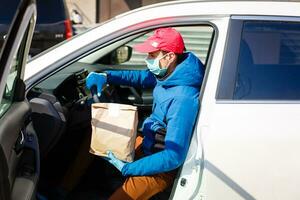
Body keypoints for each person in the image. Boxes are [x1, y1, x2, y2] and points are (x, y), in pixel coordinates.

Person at [86, 27, 204, 199]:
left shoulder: (183, 99)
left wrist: (129, 168)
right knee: (97, 140)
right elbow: (141, 77)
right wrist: (106, 76)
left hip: (159, 170)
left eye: (152, 55)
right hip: (148, 145)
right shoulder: (169, 74)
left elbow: (173, 156)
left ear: (170, 56)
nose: (147, 59)